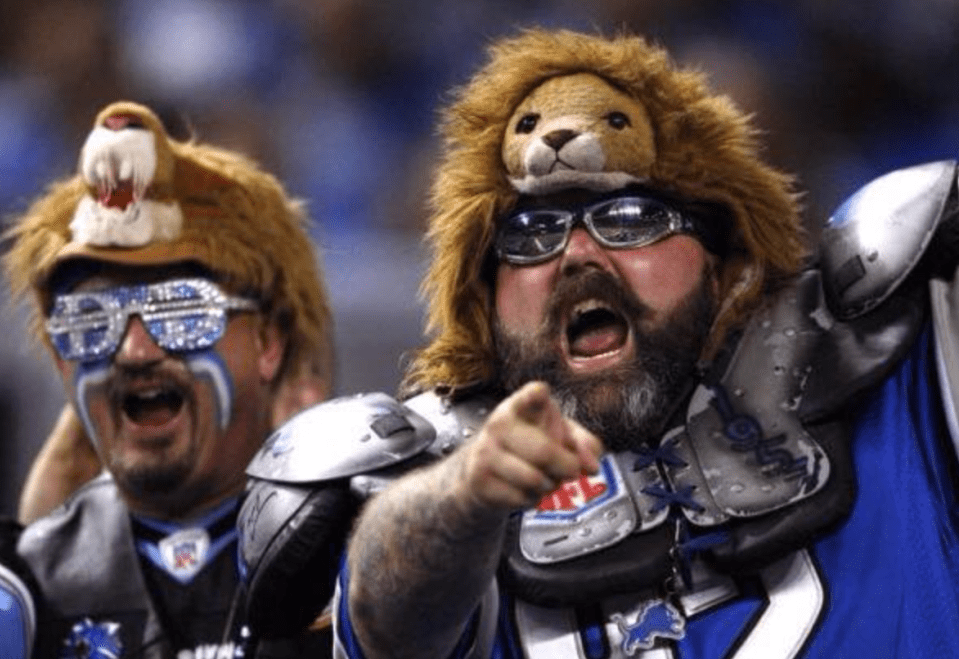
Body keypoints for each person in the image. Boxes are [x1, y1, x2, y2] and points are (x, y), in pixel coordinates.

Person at [298, 29, 959, 658]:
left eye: (631, 218)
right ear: (485, 297)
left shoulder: (900, 377)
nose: (577, 256)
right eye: (531, 236)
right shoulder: (454, 470)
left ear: (726, 265)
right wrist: (466, 494)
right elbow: (381, 622)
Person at [0, 99, 337, 659]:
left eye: (179, 310)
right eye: (90, 321)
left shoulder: (352, 558)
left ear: (267, 345)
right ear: (62, 363)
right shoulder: (23, 583)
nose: (133, 351)